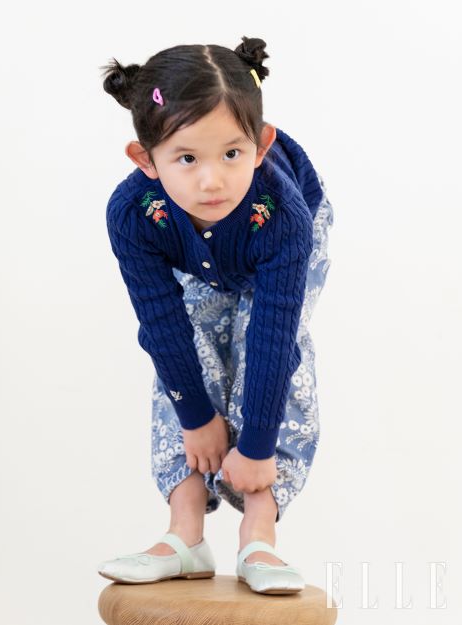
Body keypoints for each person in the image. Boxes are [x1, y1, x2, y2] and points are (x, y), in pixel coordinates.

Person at [97, 36, 334, 594]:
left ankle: (259, 533)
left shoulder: (284, 216)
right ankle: (185, 533)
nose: (212, 181)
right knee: (186, 351)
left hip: (270, 244)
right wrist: (196, 416)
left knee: (265, 351)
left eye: (232, 154)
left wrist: (255, 447)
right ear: (145, 160)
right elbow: (161, 324)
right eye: (186, 158)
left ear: (260, 145)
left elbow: (275, 337)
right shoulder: (134, 213)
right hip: (189, 250)